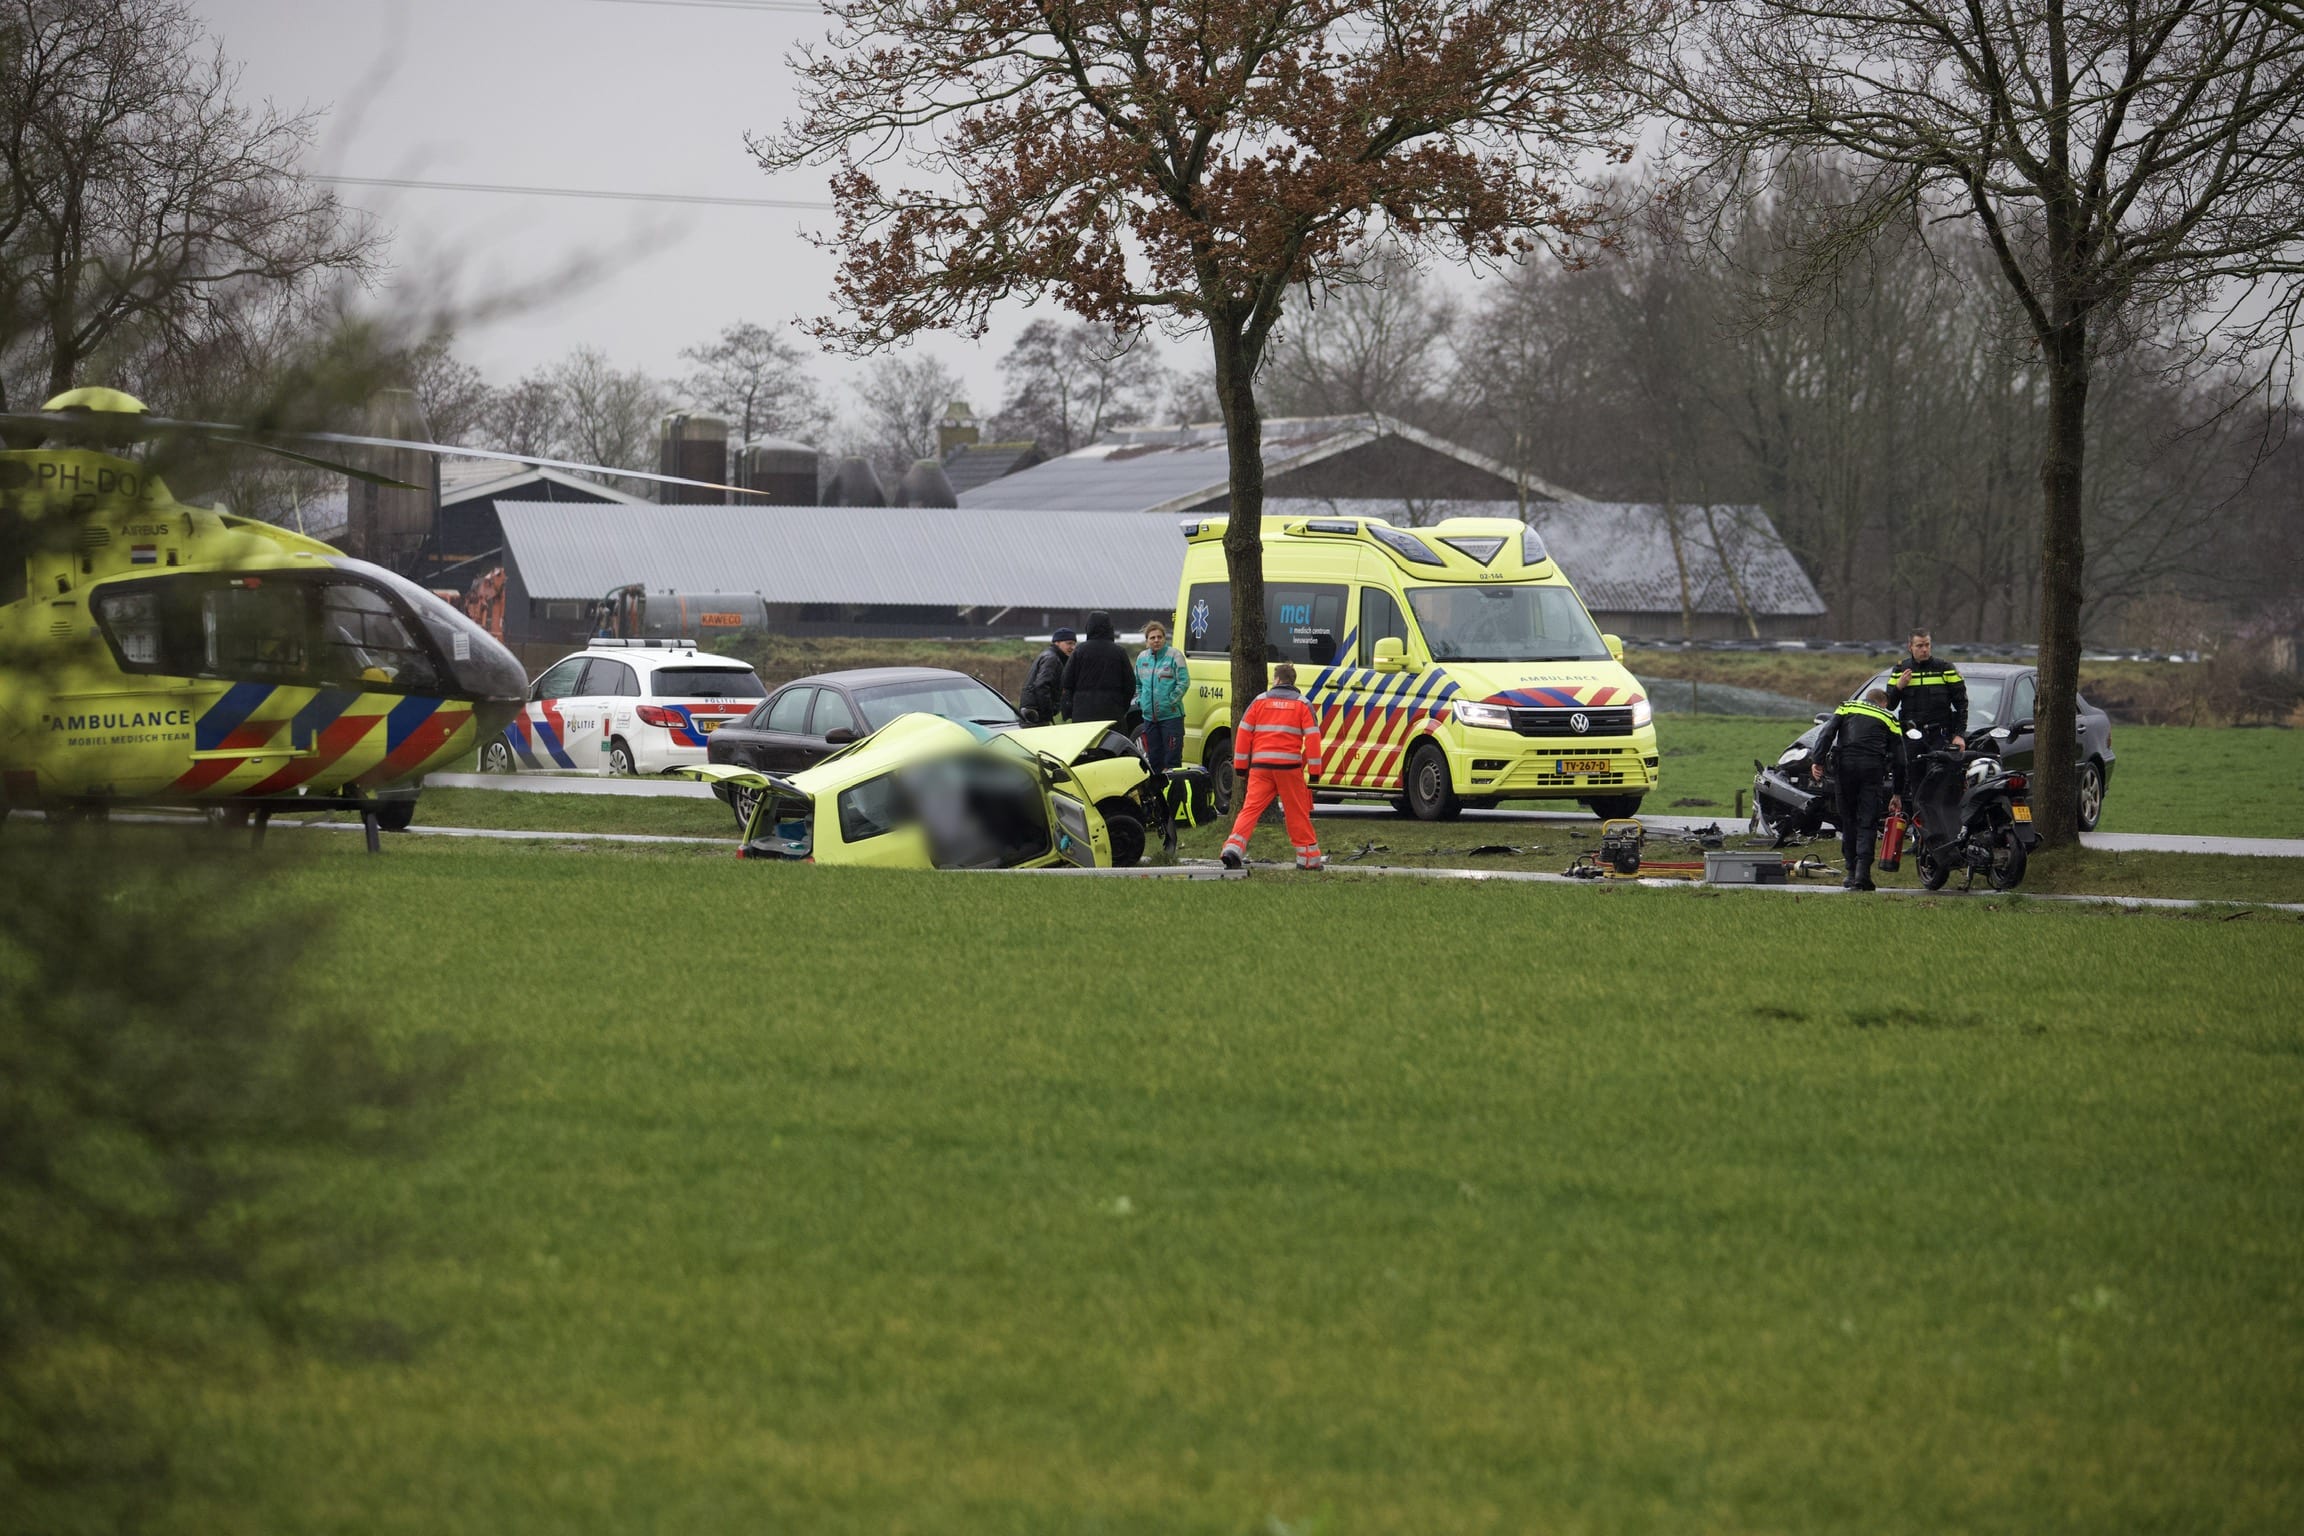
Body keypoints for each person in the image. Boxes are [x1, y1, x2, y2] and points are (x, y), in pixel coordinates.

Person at [1220, 661, 1326, 872]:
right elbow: (1313, 739)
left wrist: (1240, 766)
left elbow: (1244, 732)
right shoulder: (1303, 704)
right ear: (1292, 681)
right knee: (1296, 812)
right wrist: (1315, 772)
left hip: (1261, 768)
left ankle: (1232, 848)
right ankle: (1308, 858)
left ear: (1276, 680)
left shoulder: (1259, 701)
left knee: (1250, 809)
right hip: (1289, 769)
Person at [1810, 685, 1905, 891]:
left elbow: (1827, 733)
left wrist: (1817, 761)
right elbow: (1900, 760)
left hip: (1845, 768)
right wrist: (1897, 793)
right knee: (1867, 821)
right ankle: (1863, 873)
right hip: (1872, 770)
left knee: (1849, 820)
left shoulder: (1846, 707)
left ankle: (1851, 872)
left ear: (1866, 698)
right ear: (1884, 703)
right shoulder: (1889, 718)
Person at [1885, 628, 1967, 753]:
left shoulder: (1945, 668)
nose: (1924, 649)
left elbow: (1961, 705)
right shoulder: (1900, 670)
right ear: (1910, 647)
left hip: (1940, 735)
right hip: (1911, 735)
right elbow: (1890, 705)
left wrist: (1959, 735)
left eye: (1927, 645)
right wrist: (1899, 687)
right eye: (1919, 646)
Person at [1133, 618, 1190, 790]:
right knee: (1154, 759)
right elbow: (1138, 683)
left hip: (1171, 717)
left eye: (1159, 637)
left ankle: (1176, 795)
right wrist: (1141, 701)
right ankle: (1158, 795)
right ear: (1147, 641)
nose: (1156, 640)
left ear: (1165, 638)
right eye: (1152, 638)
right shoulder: (1142, 658)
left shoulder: (1175, 656)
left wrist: (1171, 700)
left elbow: (1184, 682)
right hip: (1149, 718)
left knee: (1172, 759)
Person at [1062, 611, 1135, 726]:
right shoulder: (1119, 652)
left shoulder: (1079, 651)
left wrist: (1071, 707)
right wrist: (1122, 706)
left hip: (1083, 712)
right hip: (1112, 712)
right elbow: (1130, 684)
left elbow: (1066, 681)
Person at [1020, 627, 1075, 724]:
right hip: (1035, 712)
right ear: (1057, 642)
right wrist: (1047, 712)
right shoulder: (1052, 658)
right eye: (1069, 643)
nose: (1073, 647)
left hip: (1033, 710)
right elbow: (1042, 685)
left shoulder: (1051, 656)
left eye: (1074, 644)